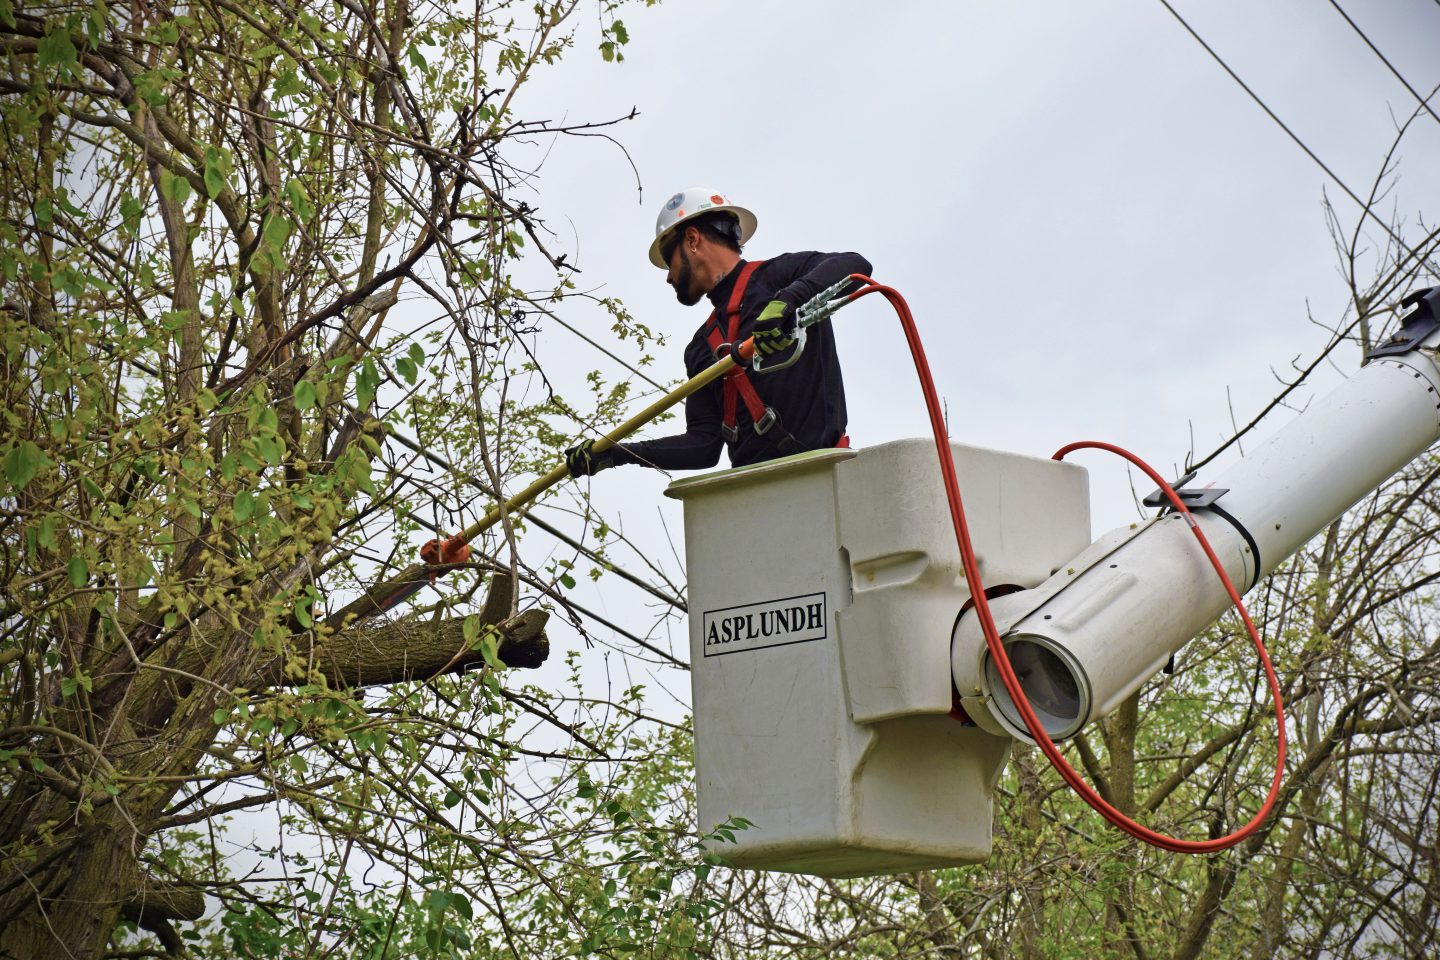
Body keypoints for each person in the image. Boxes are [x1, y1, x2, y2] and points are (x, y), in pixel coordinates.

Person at [566, 187, 871, 477]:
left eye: (669, 262)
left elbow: (855, 266)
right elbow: (703, 446)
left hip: (824, 472)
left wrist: (787, 301)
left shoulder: (778, 278)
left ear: (692, 239)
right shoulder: (702, 347)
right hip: (752, 488)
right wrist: (617, 453)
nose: (669, 278)